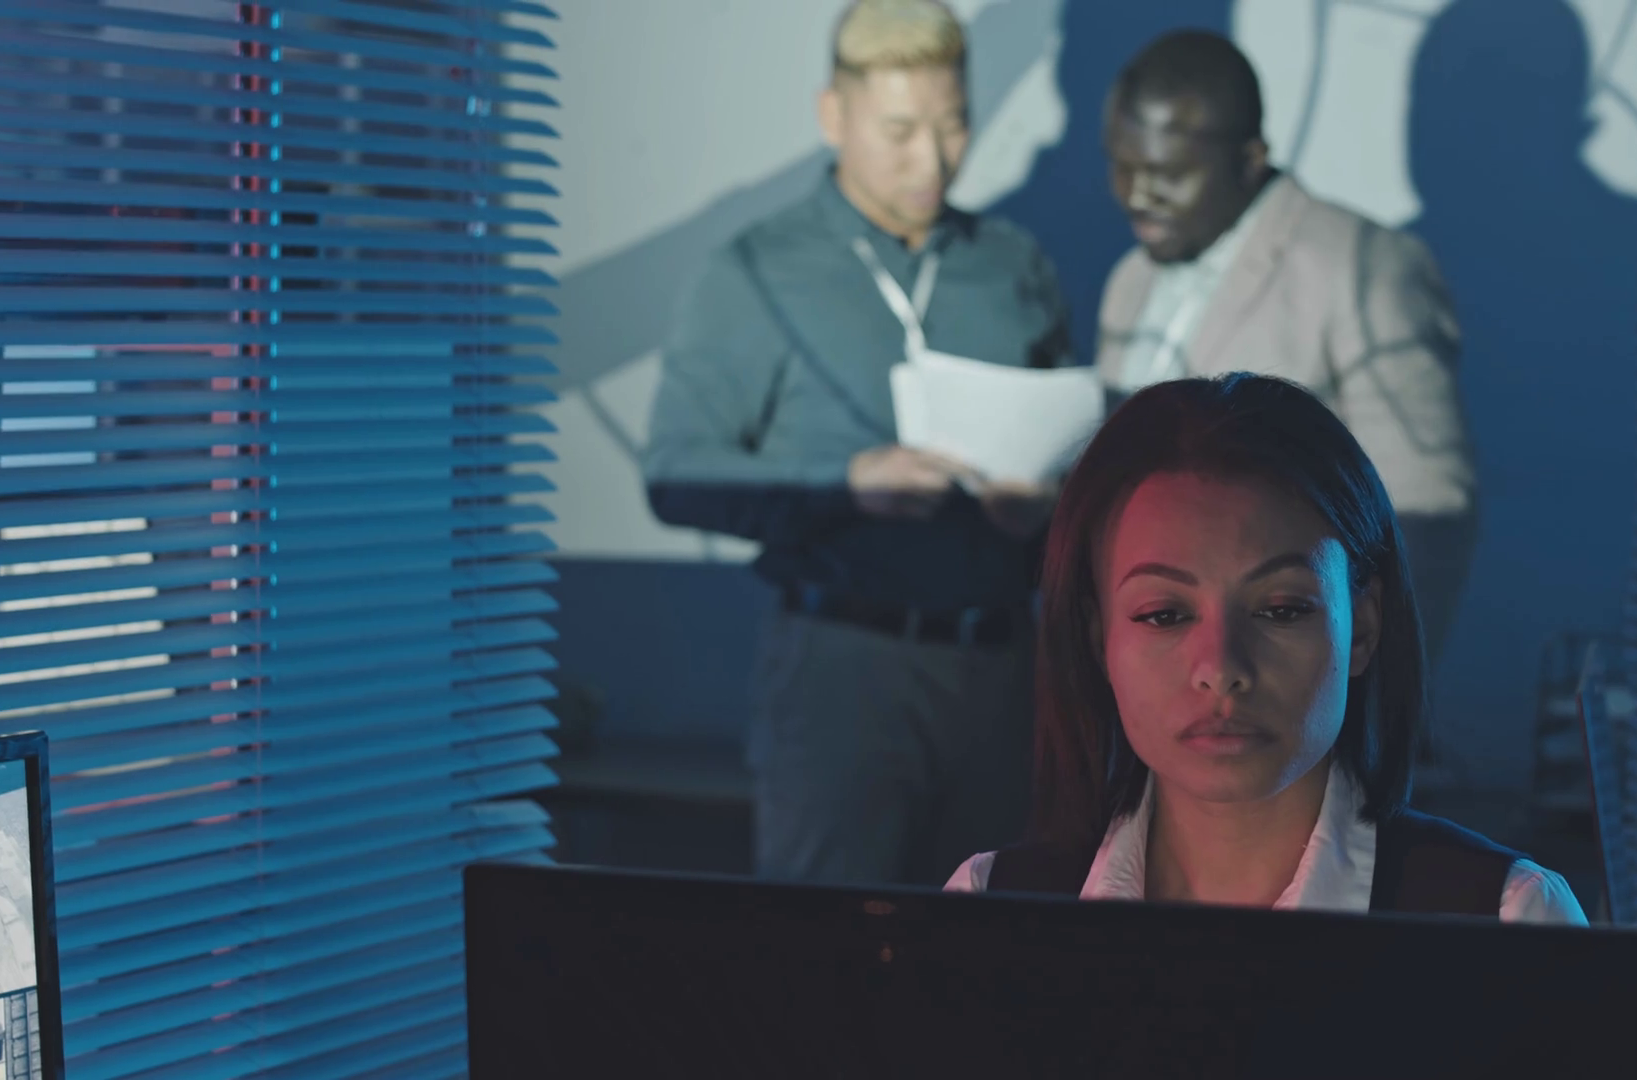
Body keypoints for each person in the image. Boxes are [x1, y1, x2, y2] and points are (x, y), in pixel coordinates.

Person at [643, 0, 1069, 886]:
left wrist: (1048, 509)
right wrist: (845, 484)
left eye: (954, 125)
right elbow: (676, 474)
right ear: (833, 115)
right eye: (900, 131)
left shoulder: (1013, 263)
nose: (934, 159)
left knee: (1003, 942)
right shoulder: (754, 270)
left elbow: (1075, 455)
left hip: (1004, 669)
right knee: (829, 951)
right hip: (843, 671)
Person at [945, 375, 1584, 923]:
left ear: (1363, 627)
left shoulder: (1506, 918)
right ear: (1097, 639)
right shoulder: (989, 911)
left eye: (1280, 610)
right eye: (1164, 614)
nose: (1221, 669)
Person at [1094, 31, 1477, 668]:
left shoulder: (1361, 267)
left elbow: (1426, 517)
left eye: (1169, 175)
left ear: (1250, 159)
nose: (1135, 194)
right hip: (1145, 688)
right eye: (1122, 166)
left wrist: (1362, 701)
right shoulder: (1128, 283)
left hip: (1285, 691)